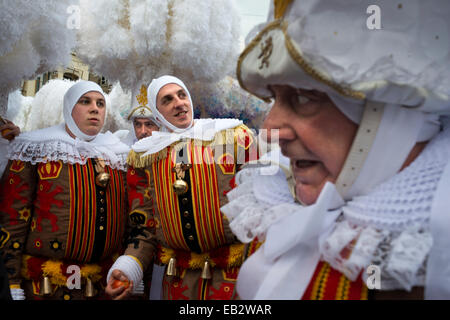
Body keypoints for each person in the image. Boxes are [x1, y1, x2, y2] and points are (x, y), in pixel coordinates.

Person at [222, 0, 450, 299]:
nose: (270, 130)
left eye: (304, 98)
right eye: (275, 97)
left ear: (393, 114)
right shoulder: (273, 207)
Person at [105, 75, 258, 300]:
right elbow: (145, 229)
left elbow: (263, 205)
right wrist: (128, 270)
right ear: (156, 113)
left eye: (182, 95)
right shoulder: (145, 157)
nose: (179, 103)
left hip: (233, 276)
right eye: (167, 100)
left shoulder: (233, 136)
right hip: (177, 281)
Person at [0, 80, 130, 300]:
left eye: (100, 103)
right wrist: (12, 284)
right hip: (44, 288)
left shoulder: (117, 154)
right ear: (69, 107)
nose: (94, 108)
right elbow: (12, 220)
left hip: (100, 287)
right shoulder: (35, 148)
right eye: (85, 101)